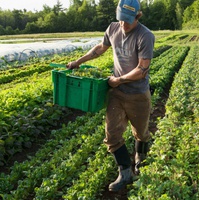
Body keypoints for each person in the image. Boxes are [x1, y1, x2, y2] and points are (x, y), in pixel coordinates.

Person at [67, 0, 155, 192]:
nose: (123, 25)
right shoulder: (113, 28)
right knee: (112, 135)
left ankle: (140, 160)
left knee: (141, 133)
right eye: (121, 19)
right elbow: (100, 47)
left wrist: (119, 79)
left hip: (138, 94)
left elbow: (142, 69)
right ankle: (124, 172)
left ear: (137, 17)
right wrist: (78, 61)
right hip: (117, 93)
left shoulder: (145, 36)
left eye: (128, 21)